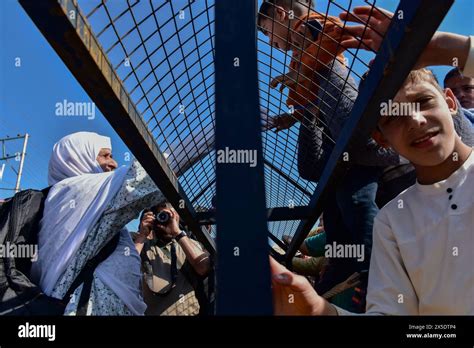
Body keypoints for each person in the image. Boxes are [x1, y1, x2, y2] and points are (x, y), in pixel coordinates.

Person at [269, 6, 474, 315]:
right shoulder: (392, 224)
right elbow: (314, 166)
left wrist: (439, 48)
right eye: (393, 116)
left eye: (423, 102)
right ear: (381, 135)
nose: (415, 120)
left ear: (450, 101)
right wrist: (321, 312)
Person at [31, 131, 166, 315]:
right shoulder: (78, 192)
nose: (113, 163)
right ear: (76, 158)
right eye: (105, 155)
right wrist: (209, 135)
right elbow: (144, 178)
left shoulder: (60, 201)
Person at [257, 0, 351, 131]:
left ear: (280, 13)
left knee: (353, 139)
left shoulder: (311, 24)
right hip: (324, 117)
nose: (270, 42)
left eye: (267, 31)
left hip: (340, 106)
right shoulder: (298, 54)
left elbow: (340, 34)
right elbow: (301, 89)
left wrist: (303, 70)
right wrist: (294, 116)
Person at [134, 202, 211, 316]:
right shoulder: (139, 242)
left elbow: (203, 268)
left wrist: (177, 233)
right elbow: (123, 268)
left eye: (171, 215)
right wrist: (142, 236)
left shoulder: (190, 244)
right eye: (162, 215)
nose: (166, 219)